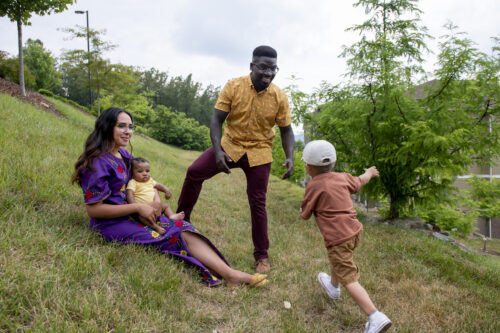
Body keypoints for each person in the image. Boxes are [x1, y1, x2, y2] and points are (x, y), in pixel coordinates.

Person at [71, 107, 269, 288]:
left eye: (131, 127)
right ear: (107, 127)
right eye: (121, 126)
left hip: (133, 215)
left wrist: (155, 199)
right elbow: (93, 210)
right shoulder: (97, 163)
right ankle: (231, 276)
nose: (128, 131)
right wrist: (138, 208)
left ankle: (229, 273)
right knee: (173, 235)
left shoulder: (123, 155)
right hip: (110, 223)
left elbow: (143, 181)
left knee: (184, 226)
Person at [177, 45, 295, 273]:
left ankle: (261, 256)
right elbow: (216, 119)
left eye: (273, 68)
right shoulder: (234, 86)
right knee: (194, 173)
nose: (268, 73)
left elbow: (287, 130)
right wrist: (218, 151)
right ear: (252, 66)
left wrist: (290, 157)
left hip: (259, 152)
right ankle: (181, 222)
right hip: (230, 145)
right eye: (263, 67)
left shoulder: (279, 96)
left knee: (258, 201)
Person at [299, 140, 392, 333]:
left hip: (339, 237)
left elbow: (305, 214)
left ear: (307, 166)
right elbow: (360, 180)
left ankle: (375, 316)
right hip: (355, 231)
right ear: (333, 163)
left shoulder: (313, 186)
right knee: (338, 259)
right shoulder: (343, 177)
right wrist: (370, 173)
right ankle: (333, 286)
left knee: (349, 277)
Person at [126, 157, 185, 235]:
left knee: (166, 206)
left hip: (155, 206)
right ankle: (155, 227)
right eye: (140, 171)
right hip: (143, 208)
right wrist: (134, 206)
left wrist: (166, 190)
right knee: (140, 218)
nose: (145, 174)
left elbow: (158, 185)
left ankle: (171, 215)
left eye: (147, 171)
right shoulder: (133, 182)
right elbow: (129, 194)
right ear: (132, 173)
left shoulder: (150, 180)